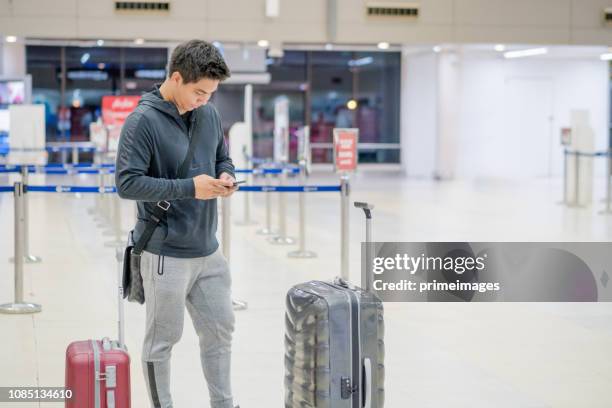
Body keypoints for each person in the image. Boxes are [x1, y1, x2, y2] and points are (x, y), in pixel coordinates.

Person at [116, 39, 240, 408]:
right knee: (162, 341)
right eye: (198, 92)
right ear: (176, 77)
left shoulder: (209, 114)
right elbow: (127, 183)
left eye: (210, 94)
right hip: (165, 254)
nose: (203, 100)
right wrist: (190, 188)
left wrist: (225, 175)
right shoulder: (142, 122)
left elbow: (223, 156)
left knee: (220, 332)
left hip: (209, 252)